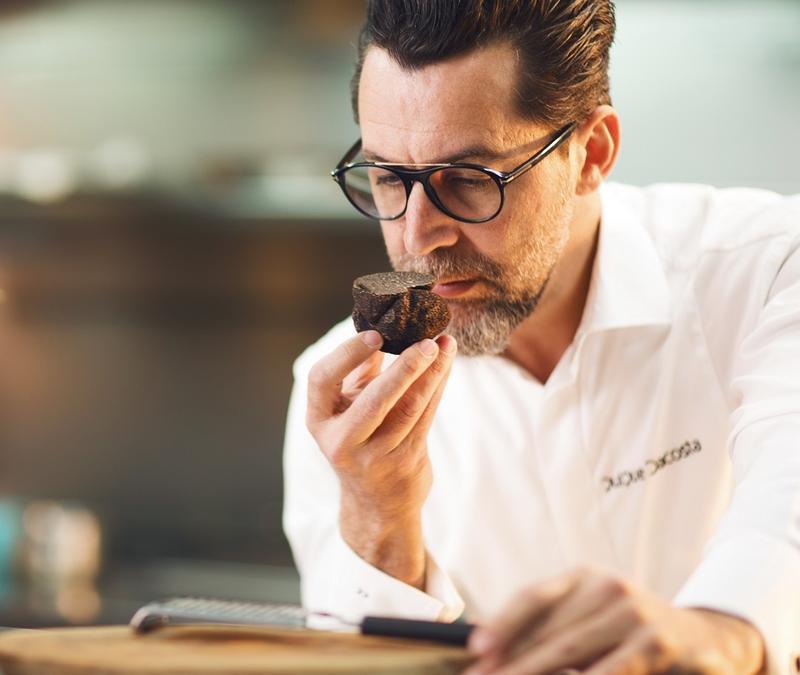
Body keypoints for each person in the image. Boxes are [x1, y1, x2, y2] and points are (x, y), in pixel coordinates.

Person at [281, 2, 800, 674]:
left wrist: (725, 628)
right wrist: (379, 517)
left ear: (593, 152)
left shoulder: (765, 270)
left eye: (468, 180)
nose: (416, 237)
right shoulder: (341, 403)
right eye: (387, 178)